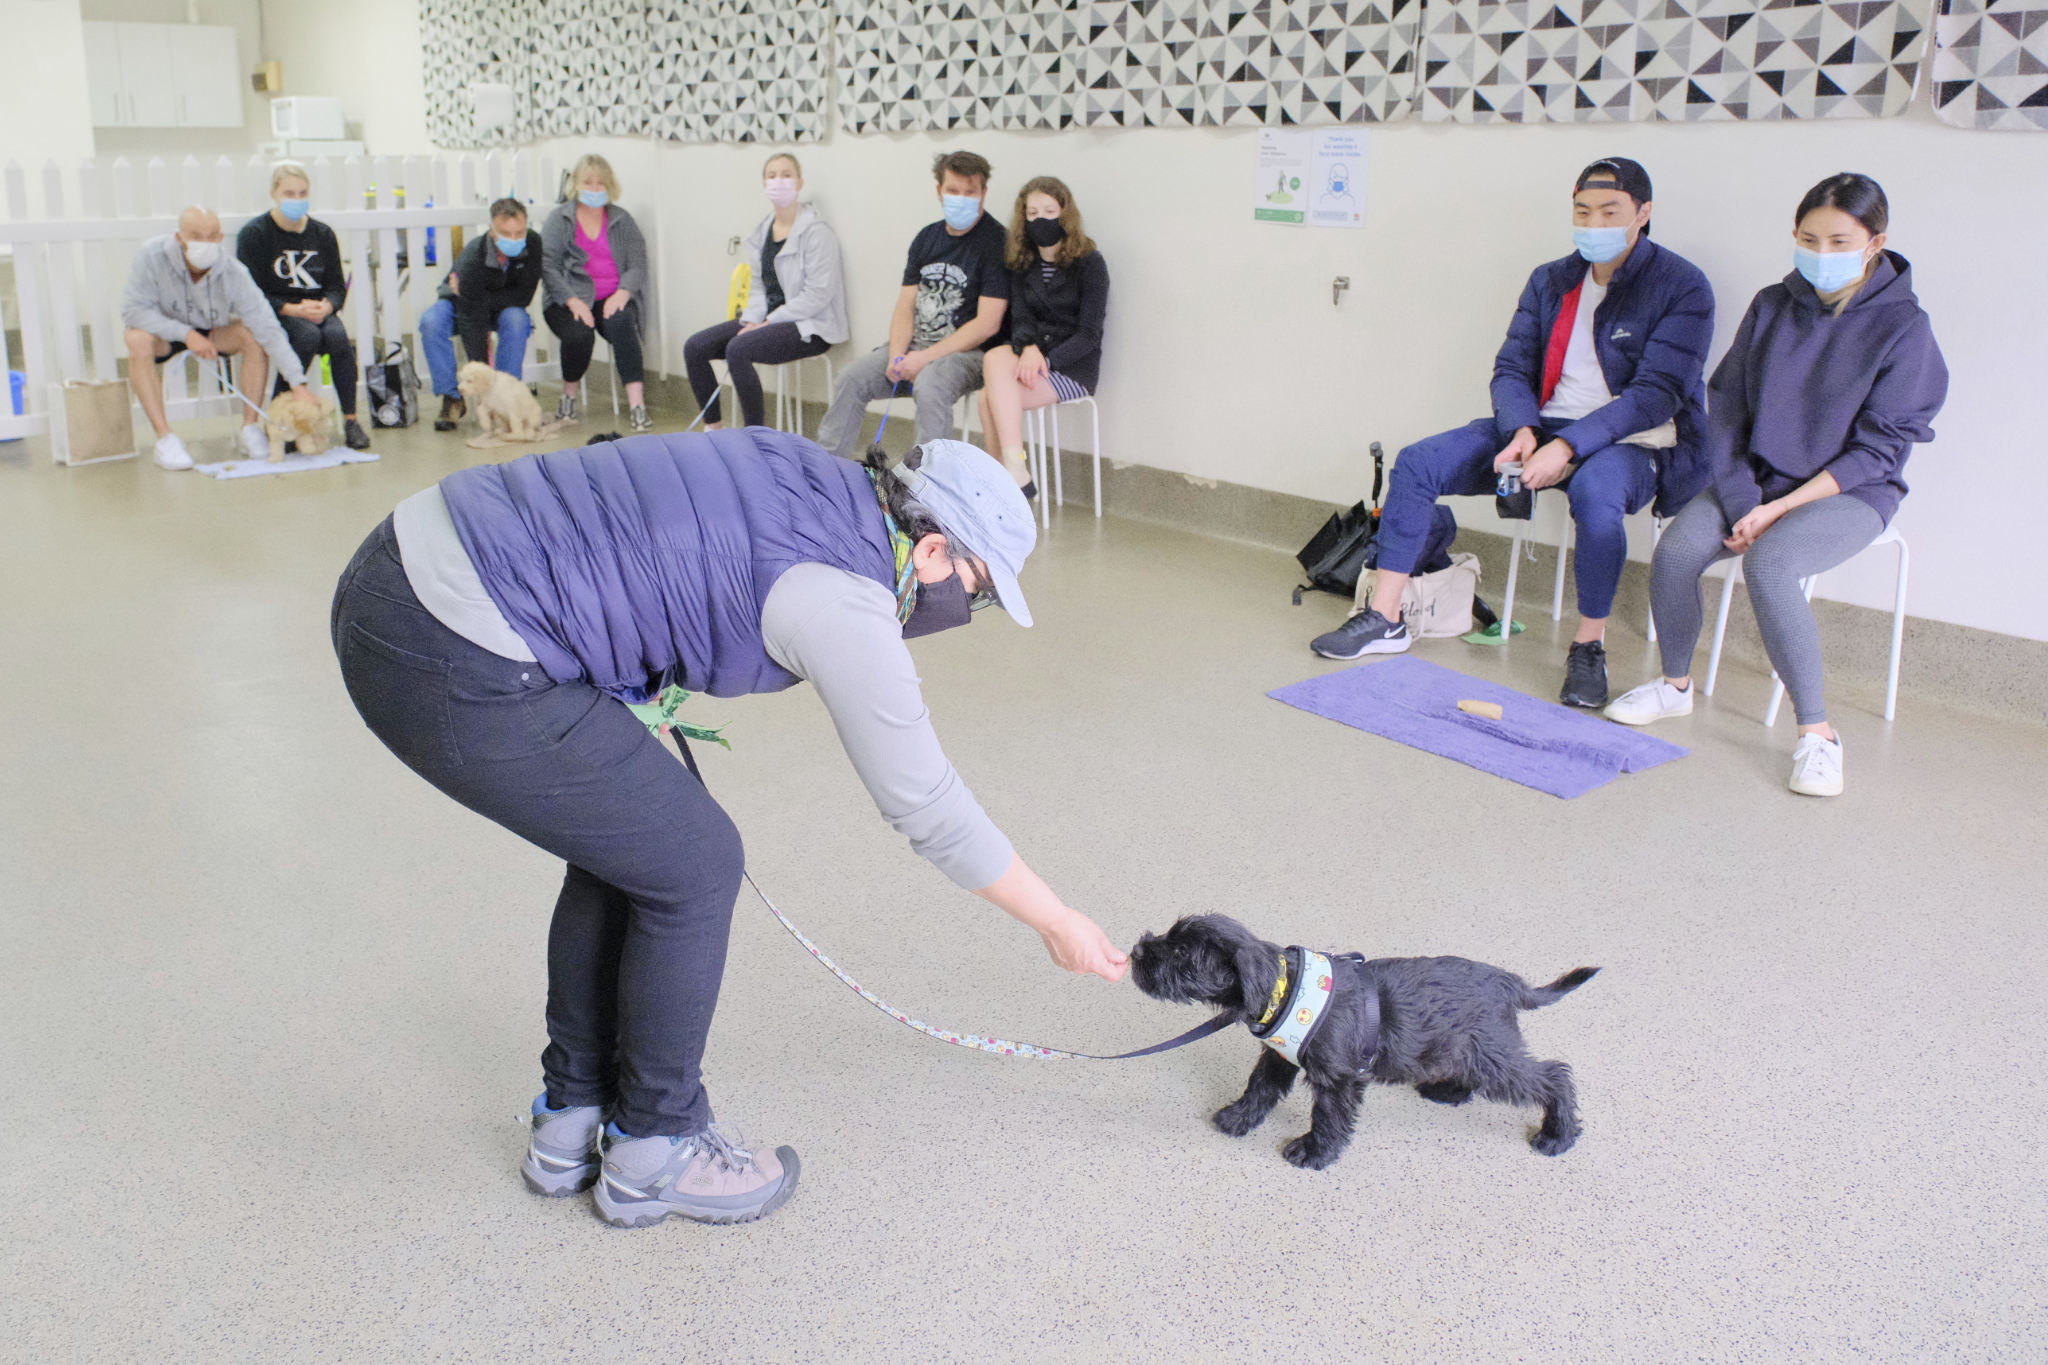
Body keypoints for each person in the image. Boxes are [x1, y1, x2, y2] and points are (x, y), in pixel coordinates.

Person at [332, 431, 1127, 1229]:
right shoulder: (841, 595)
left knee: (638, 841)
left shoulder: (818, 474)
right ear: (929, 552)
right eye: (977, 587)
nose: (968, 607)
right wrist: (1056, 919)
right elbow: (925, 801)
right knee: (699, 862)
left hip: (404, 563)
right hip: (449, 643)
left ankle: (572, 1117)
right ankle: (655, 1145)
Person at [1310, 158, 1716, 710]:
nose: (1593, 223)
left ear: (1643, 214)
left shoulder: (1682, 286)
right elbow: (1511, 368)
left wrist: (1567, 447)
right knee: (1418, 462)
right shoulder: (1551, 279)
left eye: (1610, 212)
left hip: (1633, 439)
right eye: (1582, 211)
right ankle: (1385, 618)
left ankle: (1588, 647)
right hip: (1541, 423)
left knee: (1597, 497)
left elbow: (1656, 396)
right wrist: (1523, 429)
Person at [1605, 173, 1947, 797]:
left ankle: (1818, 734)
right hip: (1754, 479)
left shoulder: (1905, 328)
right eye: (1809, 237)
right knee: (1677, 550)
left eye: (1838, 239)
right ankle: (1675, 685)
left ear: (1875, 241)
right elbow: (1727, 406)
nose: (1821, 252)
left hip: (1848, 492)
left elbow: (1881, 448)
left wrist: (1779, 509)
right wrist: (1744, 499)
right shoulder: (1772, 304)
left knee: (1771, 564)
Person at [815, 151, 1009, 460]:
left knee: (931, 386)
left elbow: (988, 323)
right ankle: (825, 469)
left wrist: (924, 359)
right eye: (953, 191)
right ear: (939, 191)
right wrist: (897, 354)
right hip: (917, 347)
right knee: (851, 378)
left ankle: (930, 486)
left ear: (983, 193)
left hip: (969, 355)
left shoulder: (997, 242)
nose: (962, 198)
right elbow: (906, 305)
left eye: (970, 192)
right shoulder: (926, 239)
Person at [123, 205, 317, 471]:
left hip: (213, 330)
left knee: (252, 335)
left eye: (212, 235)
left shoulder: (233, 272)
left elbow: (267, 327)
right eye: (196, 235)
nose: (205, 242)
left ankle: (250, 428)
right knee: (136, 340)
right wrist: (186, 334)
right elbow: (133, 311)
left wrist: (299, 384)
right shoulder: (151, 256)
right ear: (180, 237)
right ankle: (165, 437)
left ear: (220, 237)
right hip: (164, 332)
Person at [682, 153, 847, 432]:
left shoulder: (817, 232)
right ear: (764, 184)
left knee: (738, 348)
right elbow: (758, 287)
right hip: (766, 320)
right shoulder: (762, 231)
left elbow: (818, 295)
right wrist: (751, 320)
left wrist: (768, 323)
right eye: (771, 175)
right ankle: (713, 431)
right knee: (695, 347)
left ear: (799, 182)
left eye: (786, 174)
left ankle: (755, 438)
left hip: (810, 325)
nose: (778, 181)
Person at [976, 176, 1108, 496]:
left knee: (987, 398)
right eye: (1032, 213)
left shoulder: (1090, 262)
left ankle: (1007, 481)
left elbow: (1089, 335)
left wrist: (1045, 358)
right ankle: (1012, 473)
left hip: (1072, 367)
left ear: (1065, 213)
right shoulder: (1023, 262)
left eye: (1049, 211)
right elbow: (1021, 318)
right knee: (993, 365)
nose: (1041, 219)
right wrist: (1029, 348)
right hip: (1031, 357)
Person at [234, 162, 371, 452]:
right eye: (289, 193)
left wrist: (328, 305)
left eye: (302, 192)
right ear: (274, 193)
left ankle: (351, 420)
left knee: (337, 338)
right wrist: (290, 309)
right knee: (306, 335)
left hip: (316, 308)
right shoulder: (255, 234)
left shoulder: (322, 234)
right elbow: (250, 292)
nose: (296, 199)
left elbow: (336, 285)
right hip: (278, 312)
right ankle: (282, 420)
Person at [542, 154, 652, 433]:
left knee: (623, 323)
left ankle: (637, 405)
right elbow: (548, 266)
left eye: (599, 183)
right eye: (587, 183)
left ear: (609, 185)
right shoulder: (560, 219)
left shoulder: (621, 220)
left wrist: (623, 293)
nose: (593, 189)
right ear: (575, 185)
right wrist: (573, 300)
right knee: (579, 333)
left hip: (610, 296)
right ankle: (568, 396)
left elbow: (638, 263)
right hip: (568, 299)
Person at [421, 198, 542, 431]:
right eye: (506, 233)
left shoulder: (534, 243)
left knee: (518, 319)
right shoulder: (473, 257)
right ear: (492, 231)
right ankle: (452, 397)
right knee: (431, 322)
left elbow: (524, 296)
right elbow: (470, 318)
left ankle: (507, 396)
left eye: (520, 232)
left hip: (499, 307)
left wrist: (484, 300)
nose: (515, 239)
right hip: (460, 304)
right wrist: (481, 376)